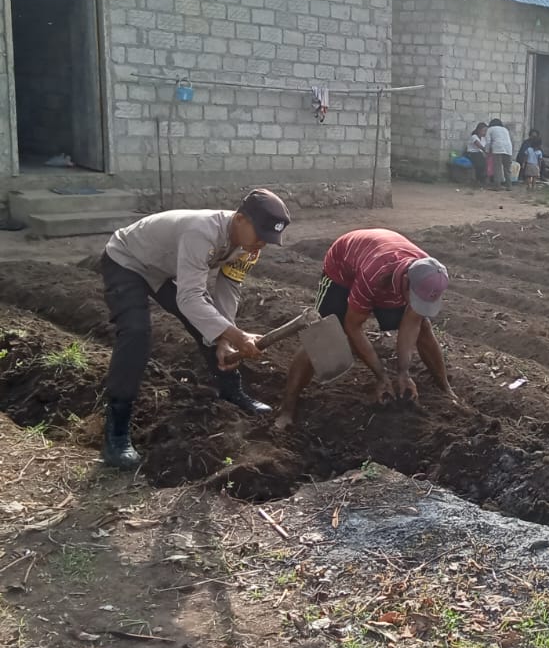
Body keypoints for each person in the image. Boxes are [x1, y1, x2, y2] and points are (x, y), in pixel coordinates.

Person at [99, 189, 292, 469]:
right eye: (260, 234)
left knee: (208, 322)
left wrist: (227, 339)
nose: (262, 244)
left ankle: (231, 391)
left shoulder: (249, 248)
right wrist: (238, 336)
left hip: (162, 268)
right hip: (127, 261)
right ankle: (116, 432)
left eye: (268, 239)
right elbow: (188, 298)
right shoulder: (201, 233)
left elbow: (229, 288)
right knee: (136, 333)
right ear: (240, 219)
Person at [276, 228, 457, 429]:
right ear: (405, 282)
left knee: (423, 326)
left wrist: (403, 373)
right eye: (415, 299)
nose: (416, 305)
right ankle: (287, 410)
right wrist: (381, 376)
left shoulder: (430, 274)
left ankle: (446, 388)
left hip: (382, 263)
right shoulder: (375, 273)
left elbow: (412, 322)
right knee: (322, 333)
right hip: (343, 266)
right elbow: (353, 326)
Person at [486, 117, 513, 189]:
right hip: (508, 149)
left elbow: (488, 142)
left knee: (497, 168)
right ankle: (509, 185)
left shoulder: (490, 129)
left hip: (498, 148)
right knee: (507, 168)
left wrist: (487, 151)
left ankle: (497, 185)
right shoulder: (505, 129)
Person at [466, 122, 488, 186]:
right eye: (483, 131)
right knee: (480, 163)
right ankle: (479, 180)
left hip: (480, 153)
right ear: (478, 130)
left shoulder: (484, 139)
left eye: (486, 131)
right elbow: (480, 146)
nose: (485, 132)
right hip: (472, 153)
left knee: (484, 162)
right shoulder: (474, 137)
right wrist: (486, 151)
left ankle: (482, 180)